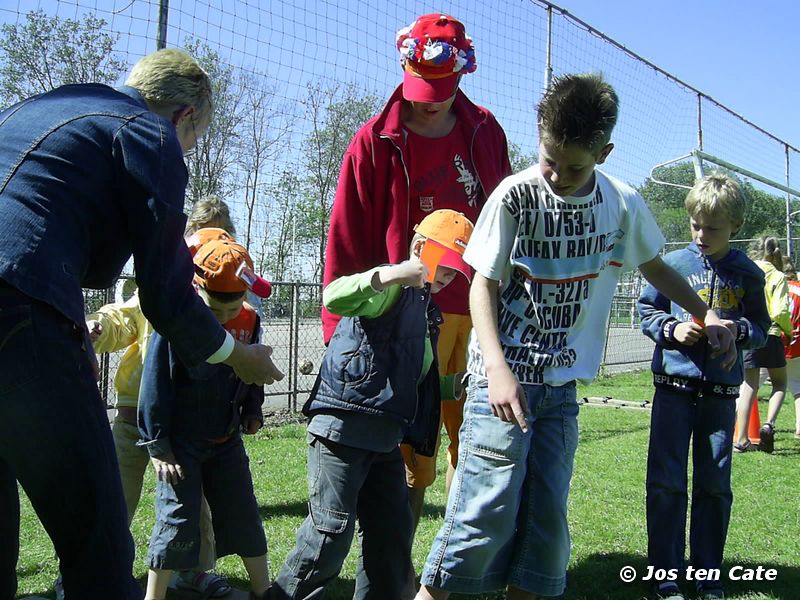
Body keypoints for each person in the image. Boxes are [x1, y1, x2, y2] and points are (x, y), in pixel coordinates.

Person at [415, 73, 736, 600]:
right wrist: (495, 369)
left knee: (545, 529)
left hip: (560, 393)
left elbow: (655, 266)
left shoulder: (622, 203)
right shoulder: (514, 197)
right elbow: (483, 286)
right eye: (549, 159)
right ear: (538, 135)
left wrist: (707, 314)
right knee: (481, 517)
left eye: (575, 166)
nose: (559, 176)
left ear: (604, 152)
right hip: (503, 386)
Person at [0, 48, 282, 599]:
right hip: (21, 308)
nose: (188, 149)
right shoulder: (150, 134)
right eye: (195, 138)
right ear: (184, 115)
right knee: (99, 540)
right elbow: (166, 292)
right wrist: (236, 355)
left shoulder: (39, 108)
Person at [322, 12, 512, 541]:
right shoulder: (373, 142)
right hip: (405, 323)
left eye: (442, 90)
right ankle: (395, 575)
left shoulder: (486, 131)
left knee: (474, 446)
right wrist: (339, 333)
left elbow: (504, 219)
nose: (429, 100)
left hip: (477, 317)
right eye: (420, 87)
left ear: (463, 76)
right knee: (407, 462)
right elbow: (346, 242)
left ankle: (448, 568)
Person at [270, 209, 474, 600]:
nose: (450, 275)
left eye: (456, 270)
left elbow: (418, 378)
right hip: (343, 431)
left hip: (384, 440)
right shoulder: (389, 289)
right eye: (446, 263)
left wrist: (461, 385)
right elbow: (334, 296)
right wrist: (393, 272)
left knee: (391, 540)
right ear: (419, 247)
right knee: (329, 537)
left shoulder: (427, 310)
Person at [84, 199, 240, 600]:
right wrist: (100, 327)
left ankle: (194, 570)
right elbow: (125, 318)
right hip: (135, 413)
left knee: (195, 502)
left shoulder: (222, 303)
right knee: (117, 492)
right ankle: (89, 571)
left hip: (188, 423)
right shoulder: (159, 288)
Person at [638, 173, 769, 600]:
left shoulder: (748, 273)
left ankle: (707, 572)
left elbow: (762, 329)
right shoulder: (671, 265)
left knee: (714, 486)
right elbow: (646, 312)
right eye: (696, 223)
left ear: (736, 225)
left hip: (720, 397)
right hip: (672, 390)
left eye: (712, 227)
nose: (701, 234)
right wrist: (672, 329)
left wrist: (739, 330)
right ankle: (666, 573)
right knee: (665, 483)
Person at [138, 237, 270, 600]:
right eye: (215, 311)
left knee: (242, 511)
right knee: (176, 520)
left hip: (225, 440)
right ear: (197, 290)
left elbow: (252, 370)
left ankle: (264, 590)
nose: (225, 320)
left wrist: (252, 409)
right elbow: (155, 384)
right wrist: (158, 445)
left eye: (232, 310)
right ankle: (155, 595)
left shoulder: (249, 320)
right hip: (181, 447)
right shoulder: (176, 325)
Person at [734, 236, 791, 453]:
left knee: (749, 385)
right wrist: (787, 330)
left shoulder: (745, 271)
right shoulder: (777, 276)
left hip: (748, 333)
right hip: (772, 333)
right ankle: (769, 425)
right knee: (779, 383)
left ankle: (740, 439)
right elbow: (780, 311)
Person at [781, 264, 800, 438]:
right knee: (797, 387)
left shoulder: (776, 286)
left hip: (775, 340)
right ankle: (799, 428)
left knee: (750, 385)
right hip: (797, 345)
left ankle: (737, 427)